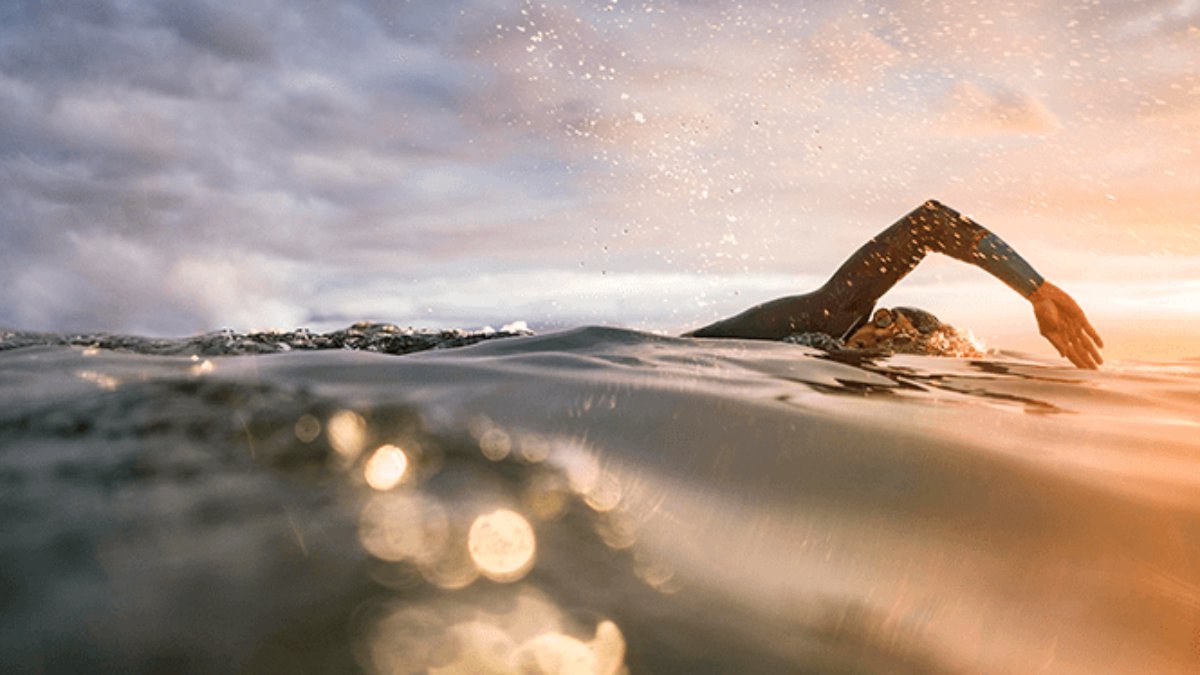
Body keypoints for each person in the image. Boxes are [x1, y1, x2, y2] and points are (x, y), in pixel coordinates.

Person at [685, 200, 1104, 369]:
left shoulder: (860, 379)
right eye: (885, 319)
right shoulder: (831, 317)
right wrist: (1036, 290)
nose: (878, 334)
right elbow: (929, 224)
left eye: (895, 339)